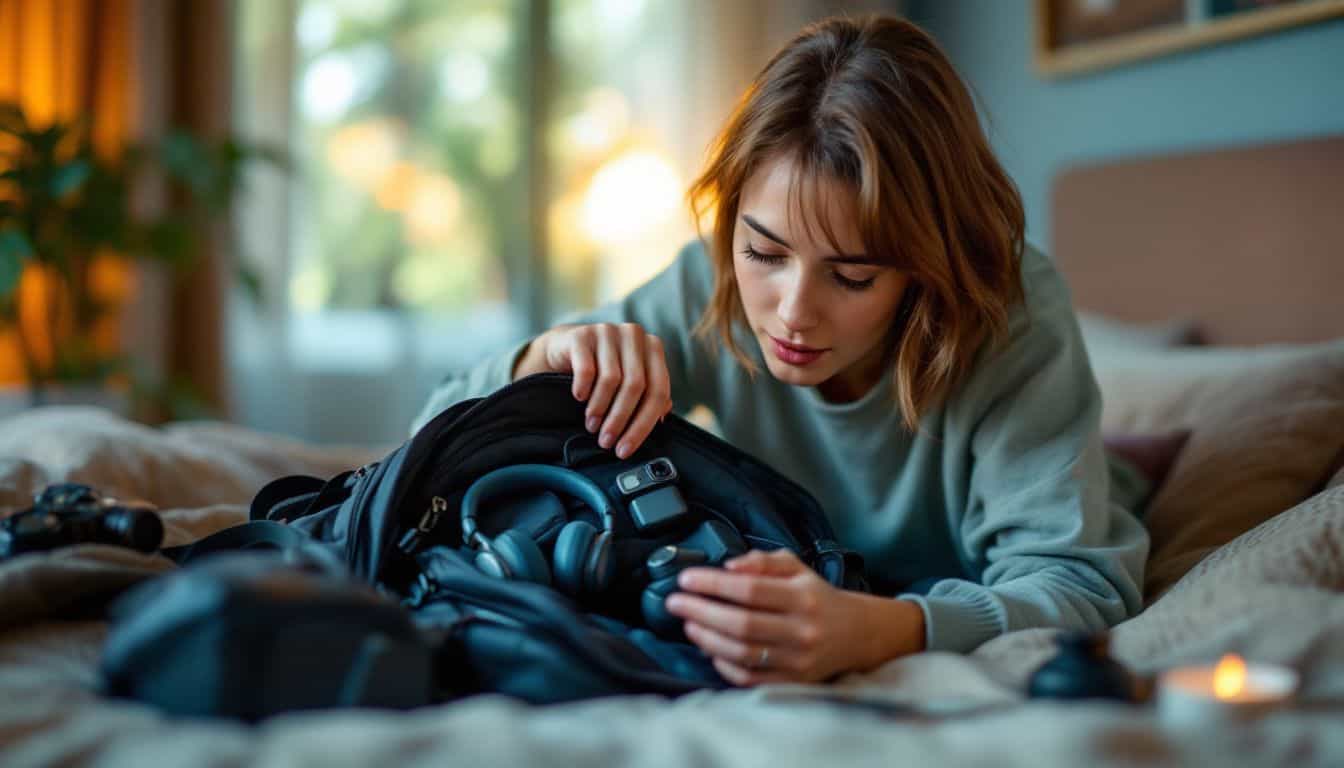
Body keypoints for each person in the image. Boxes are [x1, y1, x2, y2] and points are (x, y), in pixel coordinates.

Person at [411, 14, 1149, 687]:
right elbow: (430, 433)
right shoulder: (707, 283)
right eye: (765, 252)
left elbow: (1079, 584)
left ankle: (1129, 459)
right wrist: (542, 358)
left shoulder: (1009, 314)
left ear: (926, 268)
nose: (793, 314)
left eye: (853, 275)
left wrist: (883, 628)